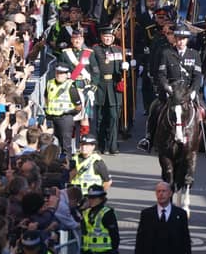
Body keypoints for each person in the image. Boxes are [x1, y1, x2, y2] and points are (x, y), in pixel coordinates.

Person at [138, 25, 204, 151]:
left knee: (204, 111)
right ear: (175, 39)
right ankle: (148, 138)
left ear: (187, 40)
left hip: (187, 91)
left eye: (183, 39)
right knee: (154, 109)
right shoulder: (167, 53)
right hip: (171, 90)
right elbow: (161, 74)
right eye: (178, 39)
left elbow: (197, 76)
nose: (180, 42)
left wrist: (194, 91)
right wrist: (167, 88)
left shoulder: (194, 54)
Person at [92, 26, 125, 154]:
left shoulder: (118, 50)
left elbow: (123, 71)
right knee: (101, 118)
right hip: (101, 86)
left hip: (114, 86)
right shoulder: (96, 49)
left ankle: (113, 145)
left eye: (110, 37)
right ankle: (102, 145)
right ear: (101, 37)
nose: (107, 39)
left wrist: (126, 68)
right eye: (105, 36)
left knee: (114, 117)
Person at [134, 181, 191, 254]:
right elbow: (140, 241)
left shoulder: (181, 214)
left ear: (170, 193)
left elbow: (186, 241)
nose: (161, 194)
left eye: (164, 191)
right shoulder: (146, 214)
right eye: (158, 191)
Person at [44, 63, 82, 159]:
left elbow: (78, 106)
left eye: (62, 73)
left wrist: (68, 112)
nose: (59, 75)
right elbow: (46, 97)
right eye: (57, 72)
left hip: (65, 118)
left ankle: (67, 163)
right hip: (51, 117)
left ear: (67, 74)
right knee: (50, 143)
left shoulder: (70, 86)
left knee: (65, 144)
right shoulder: (50, 83)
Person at [81, 184, 120, 253]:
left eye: (94, 198)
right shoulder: (86, 212)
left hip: (105, 252)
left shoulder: (107, 213)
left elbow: (114, 235)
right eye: (89, 197)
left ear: (101, 198)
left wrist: (113, 250)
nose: (91, 200)